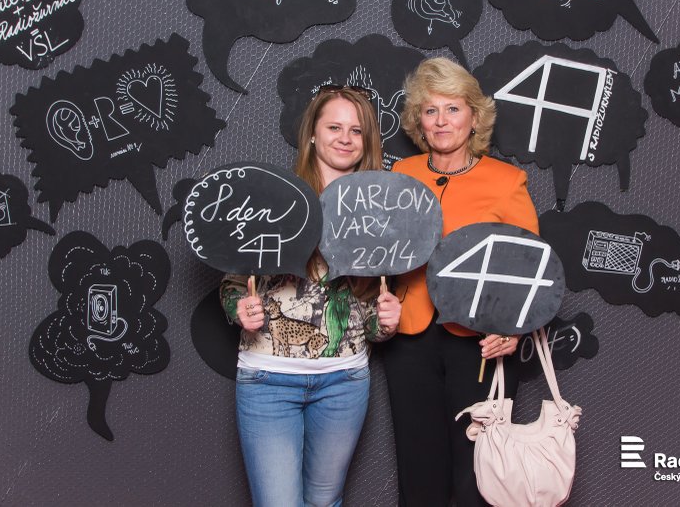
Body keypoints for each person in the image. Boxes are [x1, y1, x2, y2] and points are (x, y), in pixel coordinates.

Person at [220, 85, 402, 507]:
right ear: (313, 135)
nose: (345, 138)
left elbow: (370, 322)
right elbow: (233, 283)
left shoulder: (377, 213)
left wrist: (386, 322)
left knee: (324, 501)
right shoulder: (275, 201)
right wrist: (238, 308)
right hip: (269, 379)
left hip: (344, 381)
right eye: (334, 127)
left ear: (367, 141)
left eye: (356, 130)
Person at [383, 57, 540, 507]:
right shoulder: (401, 174)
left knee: (477, 476)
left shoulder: (506, 181)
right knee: (419, 471)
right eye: (430, 110)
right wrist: (382, 297)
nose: (441, 121)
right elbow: (381, 253)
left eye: (452, 109)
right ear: (418, 120)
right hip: (410, 338)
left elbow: (531, 269)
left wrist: (514, 329)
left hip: (478, 342)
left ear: (474, 117)